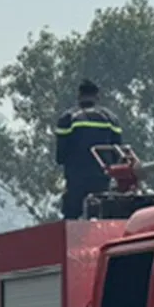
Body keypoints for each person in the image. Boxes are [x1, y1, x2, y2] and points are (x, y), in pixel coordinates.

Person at [54, 79, 123, 220]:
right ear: (97, 97)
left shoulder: (68, 118)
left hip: (76, 180)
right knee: (101, 215)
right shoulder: (111, 119)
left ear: (79, 96)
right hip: (102, 179)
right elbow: (118, 153)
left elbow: (60, 156)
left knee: (71, 217)